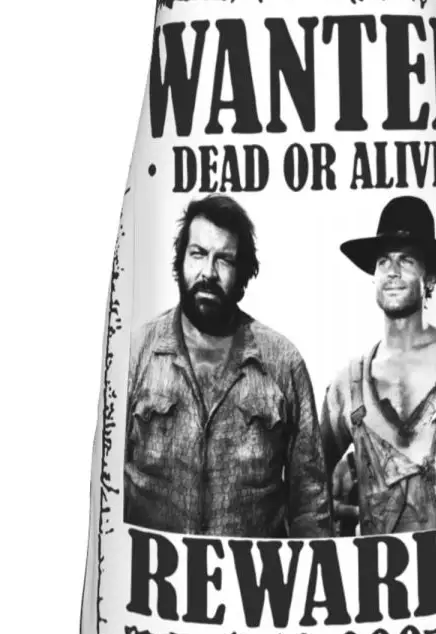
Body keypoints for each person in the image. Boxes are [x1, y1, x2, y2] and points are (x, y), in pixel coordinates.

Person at [124, 194, 331, 537]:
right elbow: (105, 490)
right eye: (198, 254)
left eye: (224, 260)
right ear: (180, 261)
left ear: (243, 273)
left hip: (253, 572)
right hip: (155, 570)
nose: (208, 272)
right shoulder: (134, 355)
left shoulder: (283, 363)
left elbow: (311, 507)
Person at [320, 195, 436, 534]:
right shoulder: (348, 384)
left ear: (430, 277)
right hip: (380, 565)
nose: (392, 271)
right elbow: (308, 479)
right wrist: (342, 512)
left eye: (407, 260)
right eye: (383, 261)